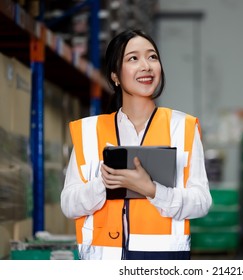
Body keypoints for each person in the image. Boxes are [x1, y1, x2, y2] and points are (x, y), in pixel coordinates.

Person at [60, 29, 212, 260]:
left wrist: (152, 190)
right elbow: (69, 205)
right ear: (115, 76)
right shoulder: (89, 132)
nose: (146, 66)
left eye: (152, 57)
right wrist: (105, 183)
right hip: (103, 261)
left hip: (162, 262)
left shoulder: (182, 127)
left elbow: (201, 202)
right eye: (133, 58)